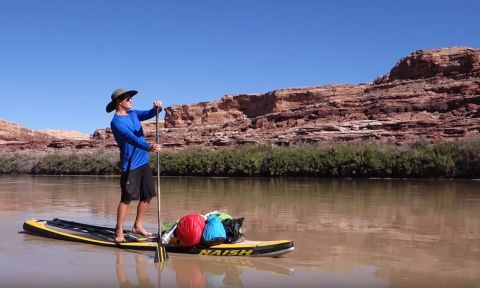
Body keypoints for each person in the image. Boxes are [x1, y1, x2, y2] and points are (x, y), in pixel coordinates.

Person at [106, 88, 162, 243]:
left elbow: (149, 114)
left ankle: (137, 225)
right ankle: (119, 231)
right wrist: (148, 146)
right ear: (119, 102)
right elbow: (131, 138)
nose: (131, 100)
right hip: (130, 166)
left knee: (148, 195)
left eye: (131, 98)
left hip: (144, 161)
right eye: (128, 99)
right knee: (126, 198)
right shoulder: (116, 122)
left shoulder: (133, 113)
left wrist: (157, 108)